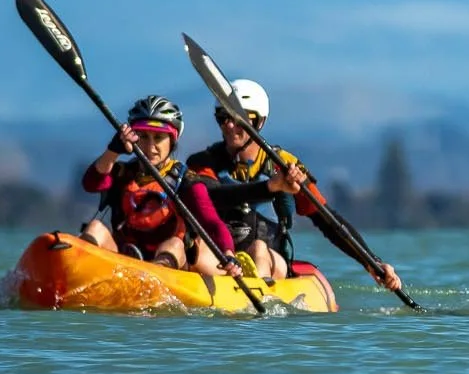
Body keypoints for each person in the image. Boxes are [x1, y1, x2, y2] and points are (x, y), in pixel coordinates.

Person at [183, 78, 404, 294]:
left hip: (271, 259)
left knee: (259, 249)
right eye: (223, 117)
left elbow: (327, 221)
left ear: (259, 122)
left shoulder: (285, 165)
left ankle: (254, 300)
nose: (230, 125)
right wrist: (271, 187)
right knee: (195, 247)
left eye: (238, 118)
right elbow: (212, 196)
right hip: (222, 257)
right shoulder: (202, 163)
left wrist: (371, 261)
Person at [79, 95, 233, 271]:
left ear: (172, 141)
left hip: (169, 269)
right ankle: (79, 271)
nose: (150, 147)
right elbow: (91, 183)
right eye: (143, 137)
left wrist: (228, 253)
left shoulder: (187, 182)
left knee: (175, 244)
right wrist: (113, 151)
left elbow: (212, 222)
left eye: (158, 137)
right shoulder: (123, 173)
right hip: (123, 261)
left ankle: (153, 275)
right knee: (95, 228)